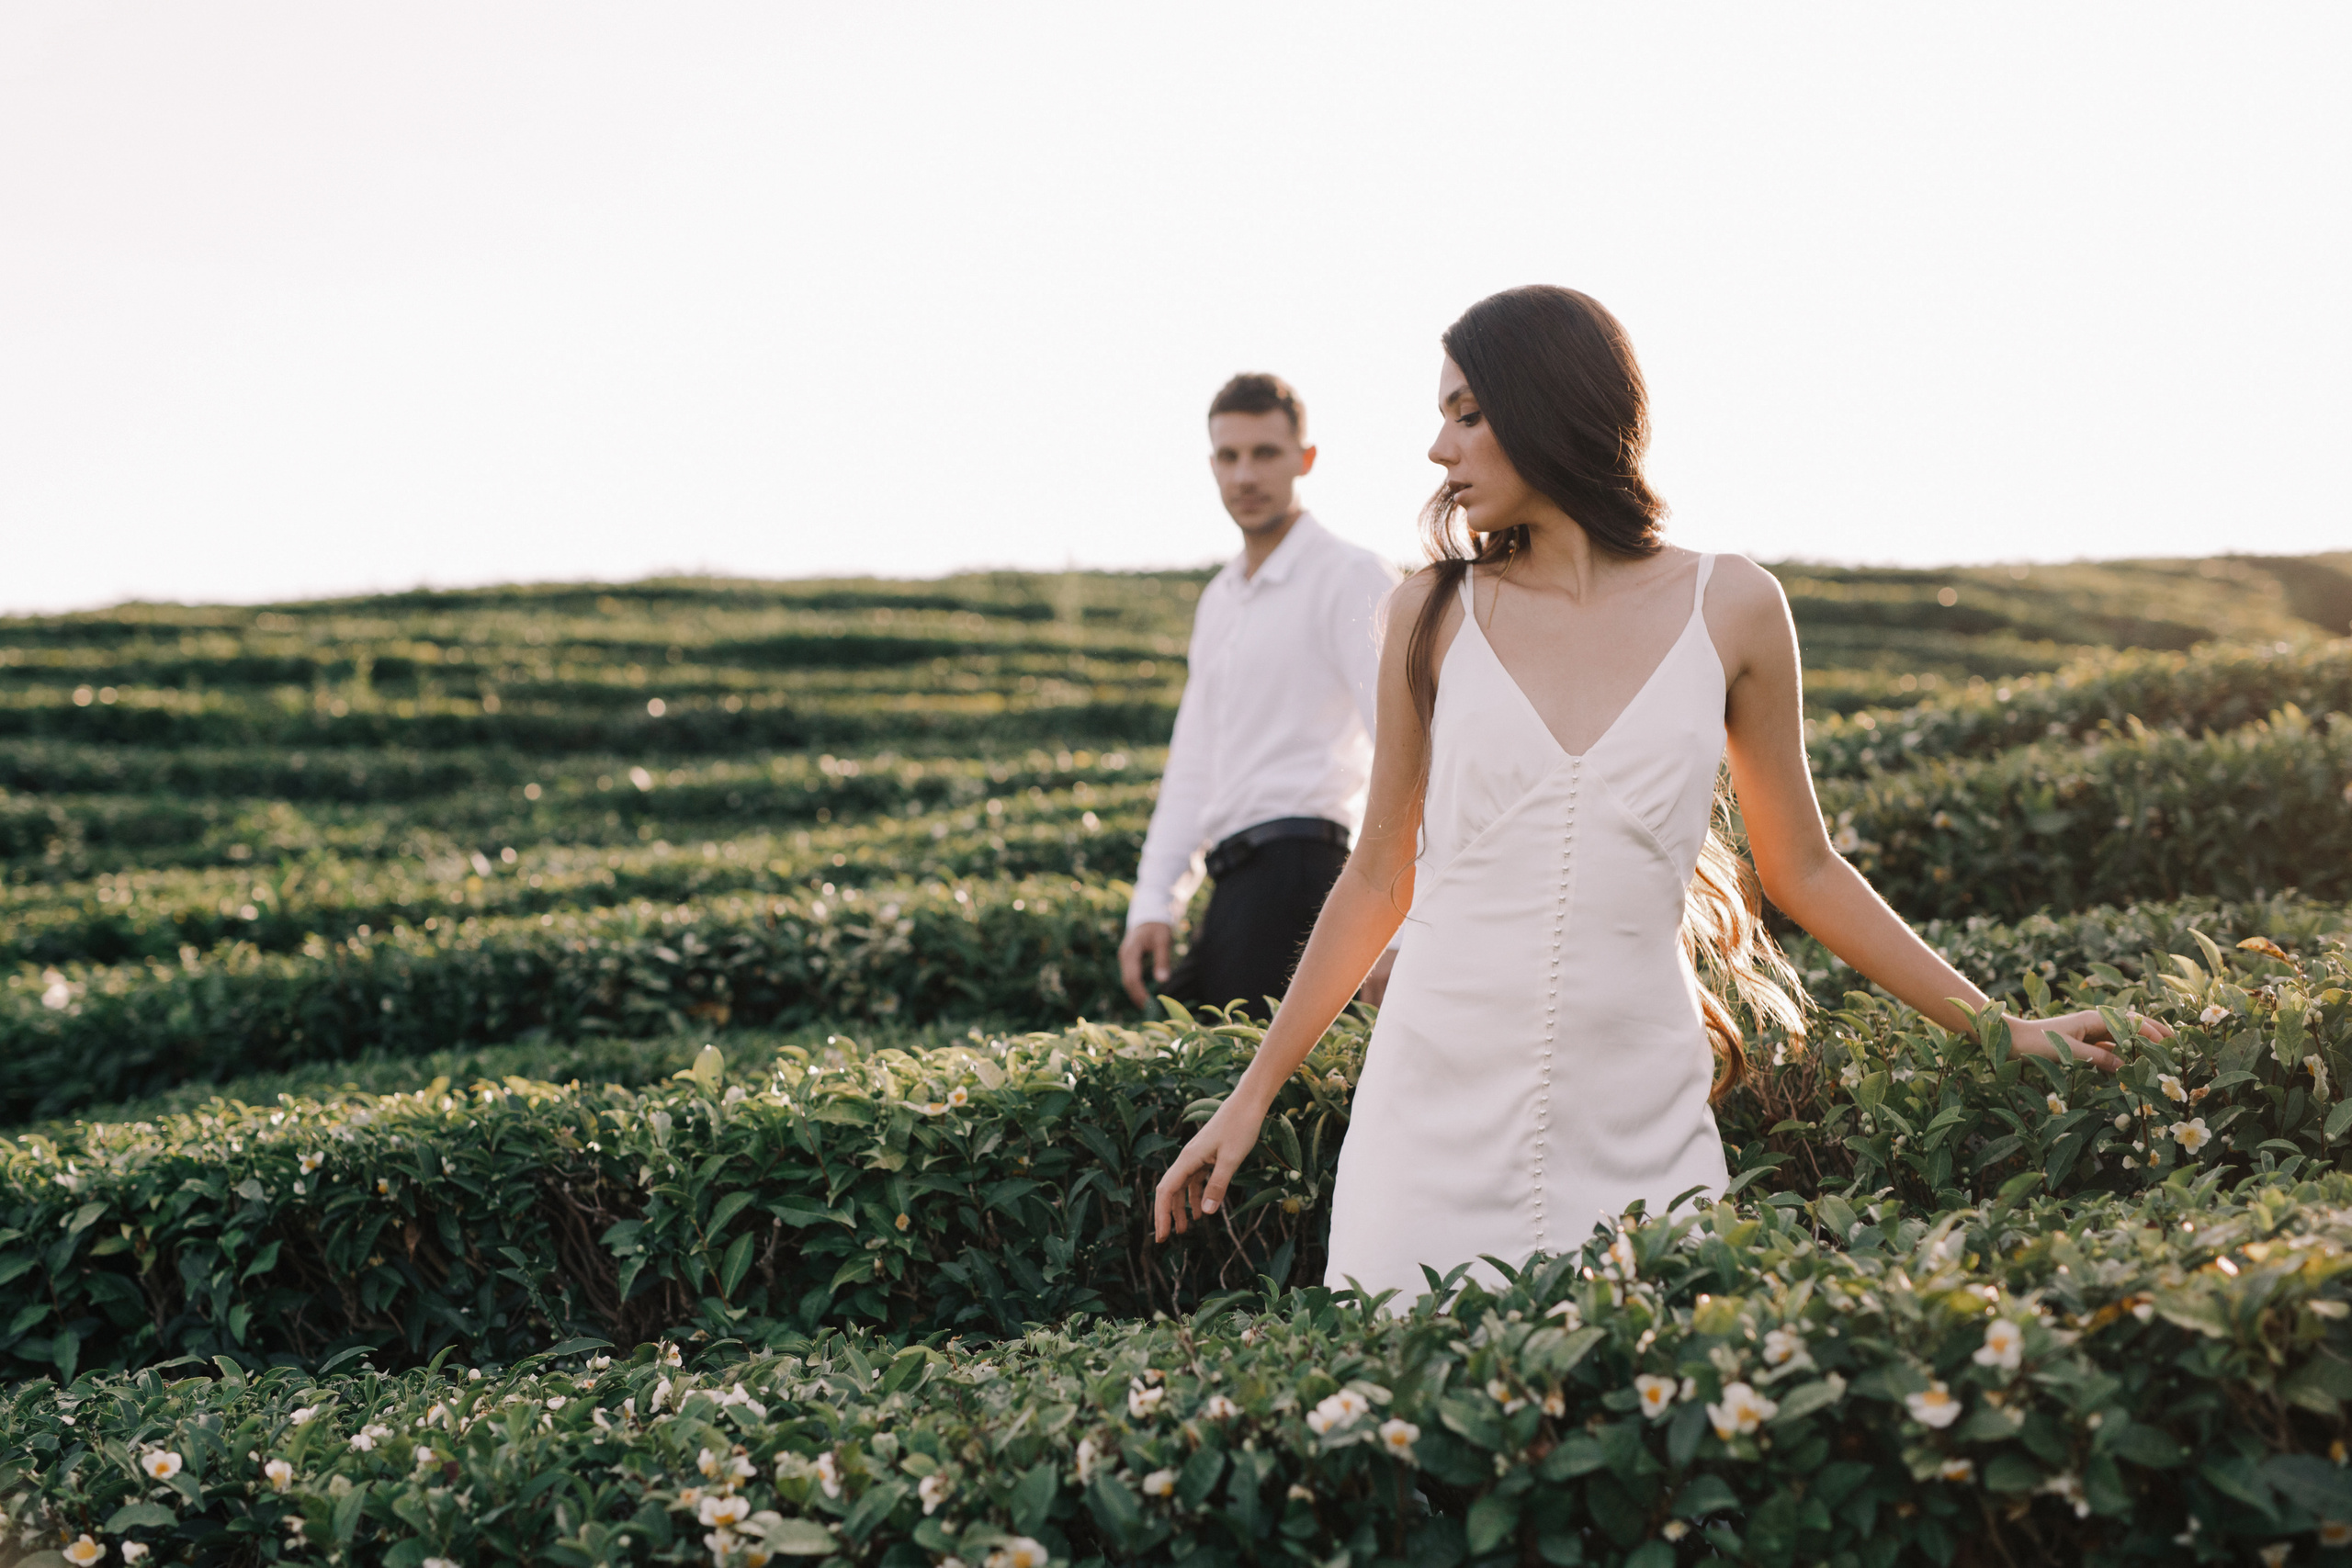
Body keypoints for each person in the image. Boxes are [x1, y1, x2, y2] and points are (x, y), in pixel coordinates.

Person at [1151, 287, 2165, 1298]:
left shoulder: (1734, 606)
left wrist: (2005, 1028)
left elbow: (1804, 870)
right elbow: (1376, 878)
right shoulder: (1427, 612)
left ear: (1549, 409)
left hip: (1640, 1107)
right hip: (1428, 1106)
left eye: (1466, 414)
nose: (1437, 449)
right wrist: (1251, 1098)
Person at [1119, 373, 1403, 1021]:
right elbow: (1194, 763)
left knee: (1236, 1095)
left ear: (1305, 459)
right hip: (1234, 884)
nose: (1245, 475)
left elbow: (1410, 751)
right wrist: (1154, 904)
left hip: (1306, 873)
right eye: (1229, 456)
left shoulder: (1351, 576)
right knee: (1178, 1072)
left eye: (1265, 453)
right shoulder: (1219, 599)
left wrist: (1400, 925)